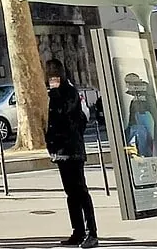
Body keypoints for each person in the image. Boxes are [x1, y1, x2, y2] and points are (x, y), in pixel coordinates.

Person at [45, 59, 97, 248]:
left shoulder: (68, 92)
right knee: (70, 193)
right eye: (49, 74)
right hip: (60, 150)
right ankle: (78, 231)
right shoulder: (54, 95)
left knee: (81, 191)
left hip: (72, 150)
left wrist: (56, 92)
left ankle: (92, 232)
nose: (52, 78)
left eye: (54, 74)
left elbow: (64, 115)